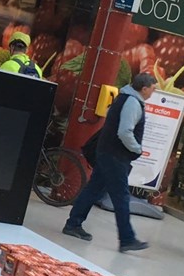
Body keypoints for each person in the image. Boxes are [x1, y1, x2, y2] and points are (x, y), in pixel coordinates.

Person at [62, 72, 156, 254]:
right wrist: (137, 148)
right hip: (116, 156)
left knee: (93, 189)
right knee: (121, 197)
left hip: (107, 152)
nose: (153, 92)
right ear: (144, 89)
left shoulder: (124, 97)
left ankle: (73, 224)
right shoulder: (132, 103)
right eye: (152, 88)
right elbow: (124, 132)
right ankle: (127, 239)